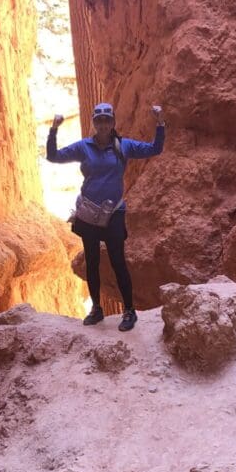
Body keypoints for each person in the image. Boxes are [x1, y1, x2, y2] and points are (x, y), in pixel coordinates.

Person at [47, 101, 165, 331]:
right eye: (98, 120)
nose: (102, 125)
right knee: (92, 261)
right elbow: (53, 156)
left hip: (114, 213)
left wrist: (160, 123)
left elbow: (155, 149)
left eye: (106, 120)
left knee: (118, 261)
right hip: (89, 213)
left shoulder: (124, 146)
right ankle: (96, 309)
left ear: (112, 123)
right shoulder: (84, 147)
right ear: (94, 122)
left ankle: (129, 311)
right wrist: (54, 129)